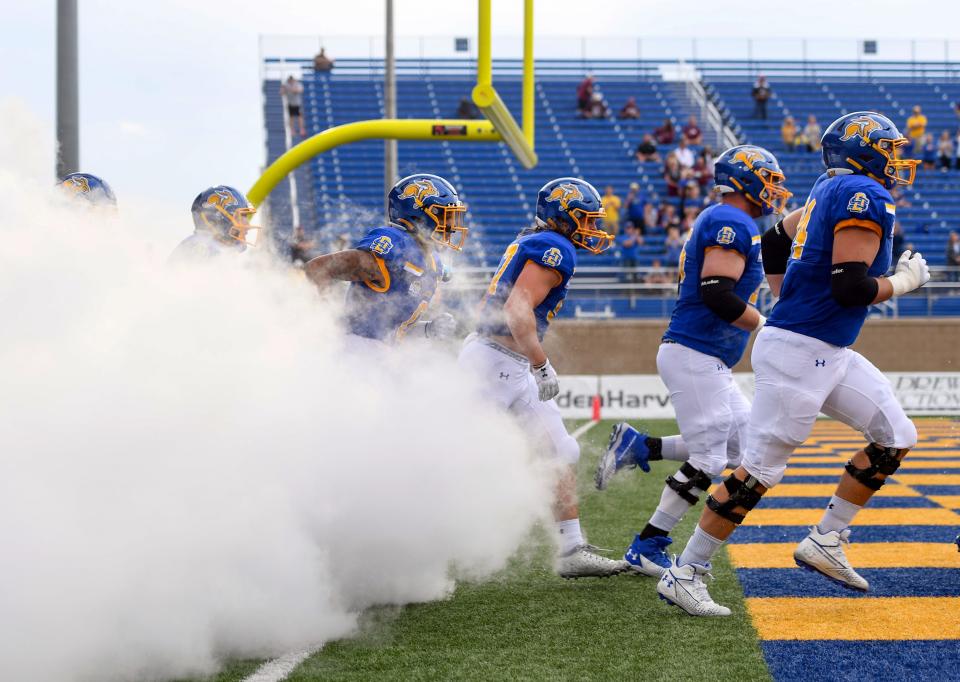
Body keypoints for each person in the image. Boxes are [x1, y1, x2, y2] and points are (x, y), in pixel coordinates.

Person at [659, 111, 928, 617]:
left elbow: (776, 241)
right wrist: (906, 282)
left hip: (823, 348)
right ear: (864, 150)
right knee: (758, 470)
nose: (896, 159)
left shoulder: (830, 187)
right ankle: (687, 571)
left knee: (897, 434)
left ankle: (826, 538)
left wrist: (783, 291)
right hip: (802, 351)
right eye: (888, 149)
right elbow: (851, 287)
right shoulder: (865, 195)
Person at [595, 146, 789, 581]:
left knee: (742, 447)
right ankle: (648, 544)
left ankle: (641, 446)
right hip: (694, 351)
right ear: (745, 179)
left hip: (704, 355)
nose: (774, 189)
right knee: (709, 458)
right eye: (768, 179)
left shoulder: (733, 220)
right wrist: (764, 324)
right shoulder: (729, 220)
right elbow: (717, 293)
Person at [458, 177, 625, 579]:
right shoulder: (555, 248)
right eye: (584, 219)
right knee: (452, 459)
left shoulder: (541, 241)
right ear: (563, 218)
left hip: (504, 363)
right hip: (493, 364)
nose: (591, 228)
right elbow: (517, 309)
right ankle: (392, 540)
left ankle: (571, 549)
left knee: (561, 450)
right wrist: (540, 361)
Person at [304, 174, 466, 345]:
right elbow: (318, 268)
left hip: (381, 355)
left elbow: (393, 329)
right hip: (354, 352)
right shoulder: (397, 245)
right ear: (418, 216)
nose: (452, 228)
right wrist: (324, 321)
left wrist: (427, 329)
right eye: (445, 217)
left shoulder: (433, 263)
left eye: (453, 217)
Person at [169, 186, 258, 262]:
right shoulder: (200, 248)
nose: (247, 224)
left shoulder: (219, 249)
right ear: (219, 218)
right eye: (241, 216)